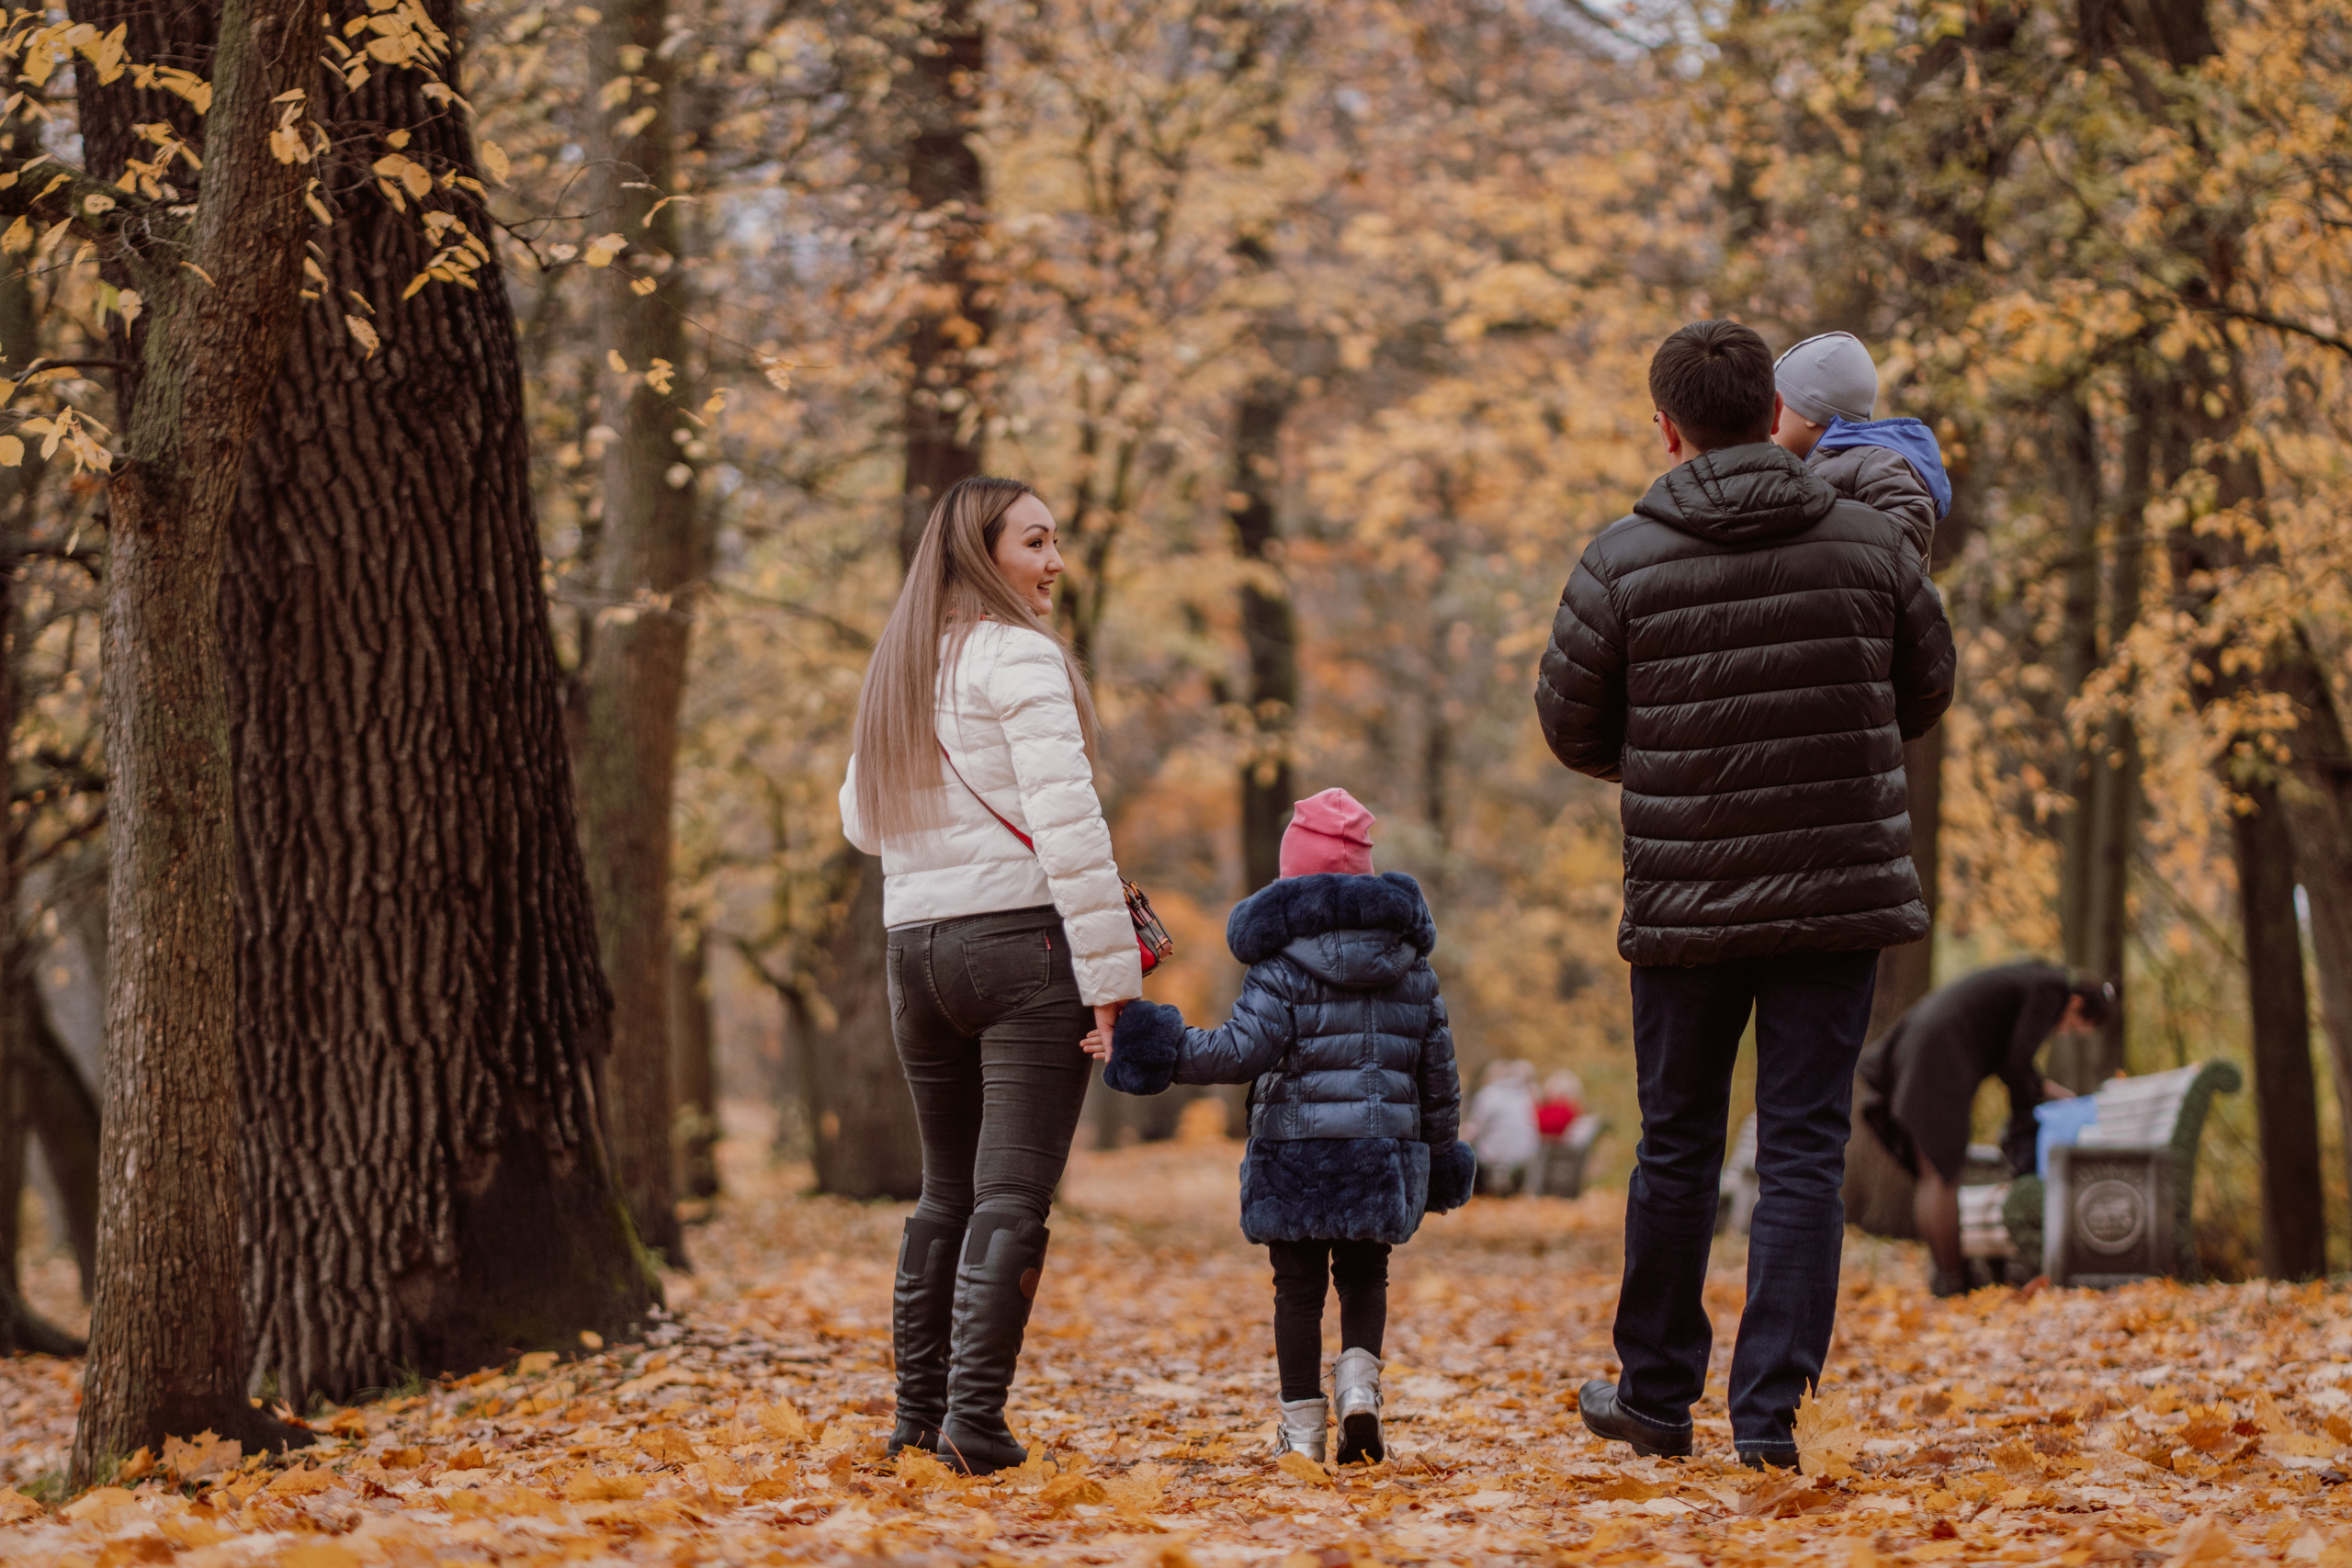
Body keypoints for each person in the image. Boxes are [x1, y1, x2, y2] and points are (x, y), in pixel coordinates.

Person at [1533, 320, 1955, 1469]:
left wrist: (1671, 763)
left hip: (1685, 901)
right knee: (1804, 1152)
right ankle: (1768, 1418)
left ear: (1668, 427)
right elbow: (1923, 689)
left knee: (1675, 1145)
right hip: (1840, 893)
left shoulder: (1620, 557)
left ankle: (1657, 1399)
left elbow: (1571, 724)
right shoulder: (1873, 543)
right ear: (1773, 410)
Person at [838, 475, 1141, 1475]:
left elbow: (860, 824)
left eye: (1055, 542)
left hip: (915, 951)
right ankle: (976, 1421)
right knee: (1010, 1197)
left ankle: (915, 1422)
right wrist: (1113, 980)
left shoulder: (899, 670)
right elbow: (1068, 825)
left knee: (945, 1196)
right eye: (1036, 542)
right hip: (1021, 951)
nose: (1054, 563)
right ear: (982, 553)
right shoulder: (1019, 656)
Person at [1089, 788, 1475, 1466]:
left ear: (1294, 876)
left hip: (1296, 1152)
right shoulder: (1413, 965)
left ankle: (1301, 1433)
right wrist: (1441, 1152)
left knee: (1296, 1287)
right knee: (1365, 1274)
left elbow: (1241, 1051)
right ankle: (1359, 1387)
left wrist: (1150, 1044)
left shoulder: (1280, 965)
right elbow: (1437, 1073)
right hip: (1380, 1152)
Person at [1856, 962, 2113, 1297]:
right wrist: (2032, 1106)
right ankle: (1953, 1281)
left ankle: (1947, 1276)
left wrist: (2042, 1087)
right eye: (2073, 1026)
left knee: (1932, 1172)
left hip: (1920, 1042)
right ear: (2077, 1003)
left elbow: (2010, 1054)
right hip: (1941, 1054)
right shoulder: (2053, 989)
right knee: (1942, 1173)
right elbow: (2017, 1058)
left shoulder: (2034, 977)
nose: (2062, 1031)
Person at [1770, 330, 1951, 569]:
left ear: (1811, 412)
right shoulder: (1819, 465)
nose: (1770, 416)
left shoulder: (1875, 462)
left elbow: (1904, 536)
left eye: (1778, 404)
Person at [1461, 1060, 1540, 1195]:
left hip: (1492, 1152)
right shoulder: (1524, 1096)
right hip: (1523, 1153)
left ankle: (1474, 1186)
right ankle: (1503, 1177)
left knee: (1465, 1144)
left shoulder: (1487, 1094)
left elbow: (1477, 1126)